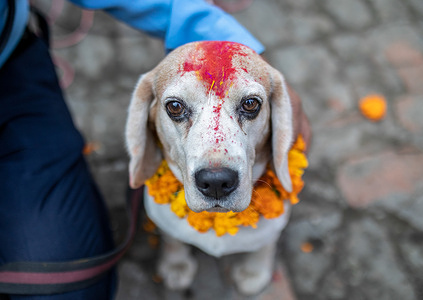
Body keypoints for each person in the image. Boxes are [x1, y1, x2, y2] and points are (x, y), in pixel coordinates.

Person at [0, 0, 264, 299]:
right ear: (147, 118)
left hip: (7, 70)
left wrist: (232, 42)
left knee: (65, 292)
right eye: (176, 107)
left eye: (250, 104)